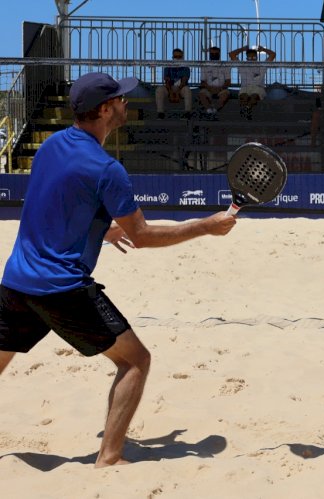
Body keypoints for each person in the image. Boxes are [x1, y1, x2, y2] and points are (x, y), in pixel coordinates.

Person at [0, 72, 237, 467]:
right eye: (122, 100)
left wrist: (99, 229)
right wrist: (206, 227)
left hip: (16, 280)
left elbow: (50, 206)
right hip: (63, 288)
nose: (129, 103)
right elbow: (142, 236)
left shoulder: (50, 146)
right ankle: (109, 457)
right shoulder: (107, 170)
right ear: (106, 109)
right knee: (135, 361)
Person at [229, 44, 276, 119]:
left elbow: (273, 54)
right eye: (250, 57)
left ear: (257, 57)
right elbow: (231, 54)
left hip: (258, 88)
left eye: (254, 57)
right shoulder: (242, 65)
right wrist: (242, 49)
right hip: (245, 88)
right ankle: (246, 112)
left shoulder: (262, 65)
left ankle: (247, 111)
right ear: (246, 58)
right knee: (243, 97)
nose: (252, 59)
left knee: (254, 96)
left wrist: (263, 49)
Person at [198, 46, 231, 117]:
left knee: (225, 95)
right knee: (201, 94)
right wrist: (210, 88)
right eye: (212, 54)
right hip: (208, 89)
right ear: (209, 54)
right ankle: (209, 110)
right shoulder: (205, 65)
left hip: (222, 89)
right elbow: (203, 81)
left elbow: (228, 81)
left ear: (219, 54)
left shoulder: (225, 65)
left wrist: (220, 89)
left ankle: (214, 109)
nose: (214, 55)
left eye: (216, 54)